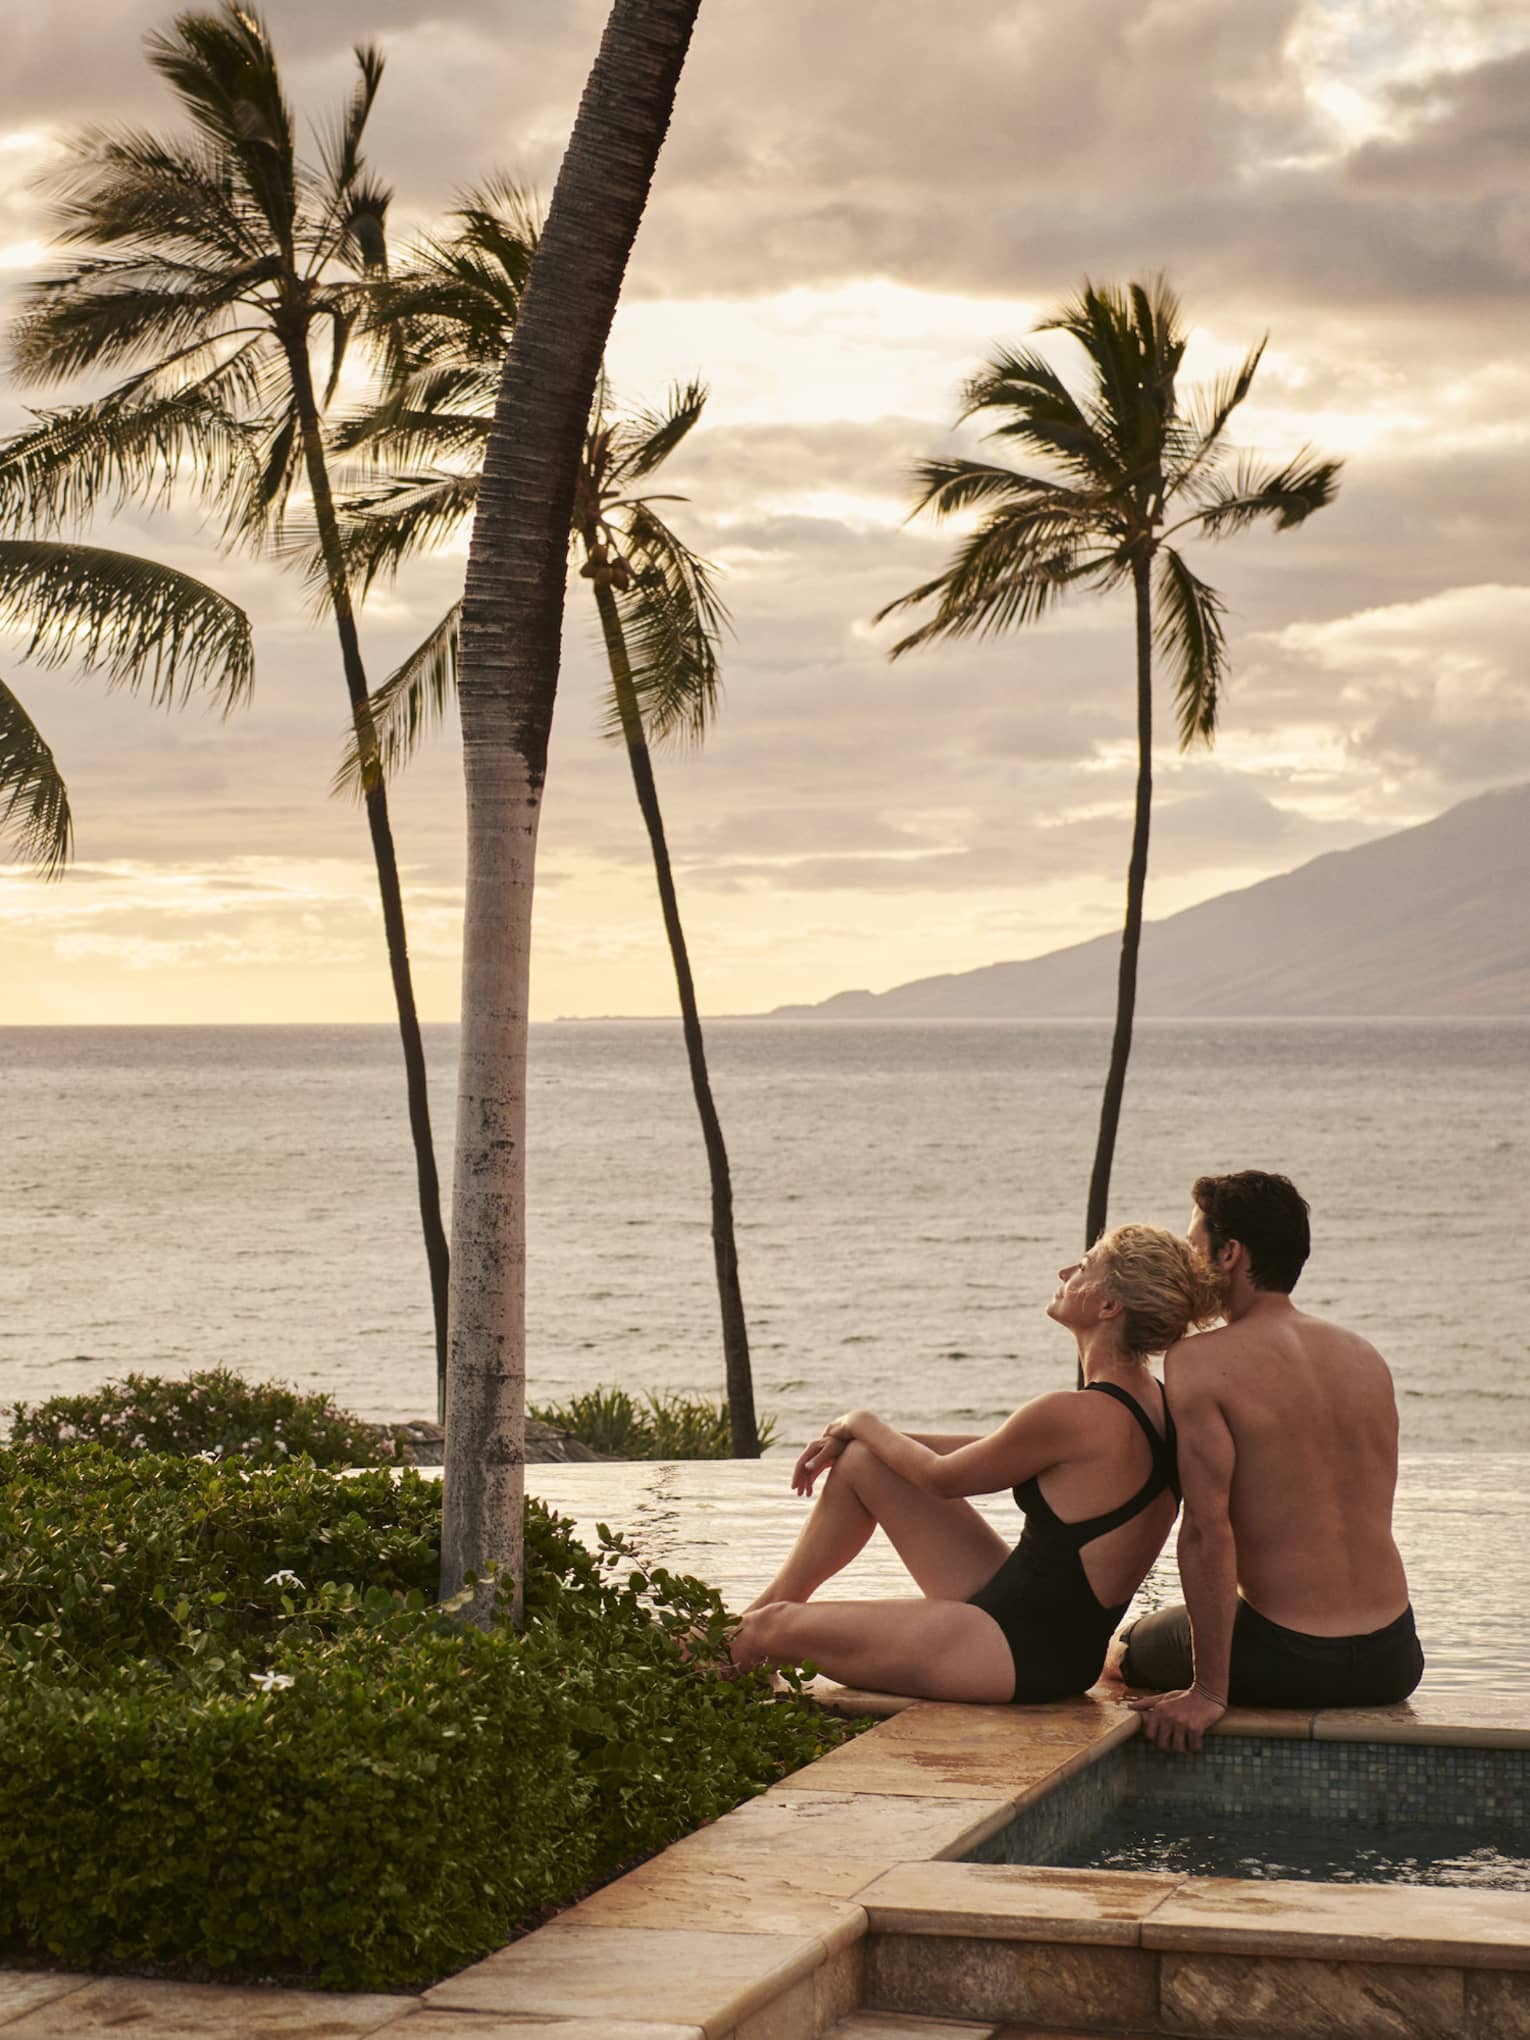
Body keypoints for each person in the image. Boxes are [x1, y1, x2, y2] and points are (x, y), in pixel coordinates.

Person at [727, 1225, 1221, 1704]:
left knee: (774, 1629)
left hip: (1012, 1652)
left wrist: (859, 1419)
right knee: (864, 1462)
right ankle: (740, 1633)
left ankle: (732, 1643)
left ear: (1109, 1306)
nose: (1065, 1270)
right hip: (1052, 1645)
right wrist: (861, 1439)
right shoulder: (1152, 1402)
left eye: (1085, 1266)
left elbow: (943, 1479)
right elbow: (996, 1448)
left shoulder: (1074, 1414)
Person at [1124, 1171, 1424, 1753]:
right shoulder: (1365, 1356)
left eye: (1193, 1248)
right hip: (1395, 1656)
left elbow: (1208, 1532)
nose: (1188, 1264)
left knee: (1123, 1652)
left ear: (1229, 1254)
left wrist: (1209, 1692)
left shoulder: (1198, 1362)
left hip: (1289, 1658)